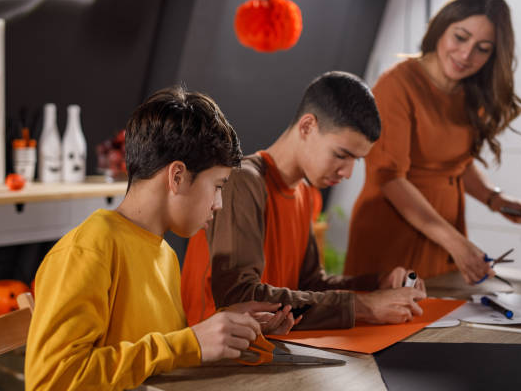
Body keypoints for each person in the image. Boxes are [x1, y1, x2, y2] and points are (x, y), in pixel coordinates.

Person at [24, 87, 298, 391]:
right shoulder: (89, 249)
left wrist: (233, 330)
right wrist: (189, 342)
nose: (218, 203)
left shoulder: (164, 255)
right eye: (217, 186)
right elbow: (50, 382)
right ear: (177, 176)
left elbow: (164, 358)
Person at [181, 71, 426, 331]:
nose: (348, 172)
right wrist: (364, 306)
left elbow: (309, 285)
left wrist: (377, 285)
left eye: (356, 160)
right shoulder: (242, 182)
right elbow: (239, 297)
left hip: (271, 348)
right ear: (307, 126)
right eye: (341, 155)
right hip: (219, 360)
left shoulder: (306, 194)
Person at [344, 0, 521, 285]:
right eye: (460, 37)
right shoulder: (396, 85)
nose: (466, 54)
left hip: (443, 235)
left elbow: (455, 164)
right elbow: (390, 179)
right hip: (392, 234)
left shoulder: (469, 92)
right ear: (441, 27)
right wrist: (456, 243)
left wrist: (495, 199)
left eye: (483, 48)